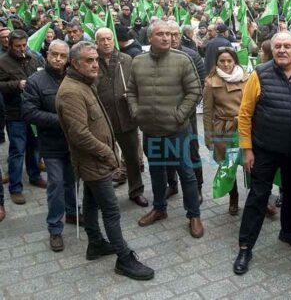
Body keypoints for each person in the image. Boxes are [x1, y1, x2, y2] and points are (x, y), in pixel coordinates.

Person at [55, 41, 154, 280]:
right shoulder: (70, 92)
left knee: (90, 202)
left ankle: (96, 243)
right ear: (75, 63)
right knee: (111, 210)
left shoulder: (84, 83)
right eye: (88, 61)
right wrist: (108, 154)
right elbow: (79, 134)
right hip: (93, 161)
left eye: (95, 59)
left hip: (95, 160)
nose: (94, 64)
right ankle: (124, 259)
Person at [233, 32, 291, 275]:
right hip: (264, 150)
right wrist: (247, 149)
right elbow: (245, 114)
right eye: (277, 46)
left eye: (287, 46)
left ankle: (288, 231)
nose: (281, 50)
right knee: (258, 196)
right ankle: (245, 246)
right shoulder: (259, 73)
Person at [127, 20, 204, 238]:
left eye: (169, 35)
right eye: (160, 34)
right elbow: (131, 91)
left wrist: (179, 116)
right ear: (150, 37)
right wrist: (136, 111)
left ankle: (194, 215)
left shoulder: (183, 60)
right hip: (150, 130)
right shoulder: (138, 61)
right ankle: (159, 208)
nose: (166, 38)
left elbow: (195, 91)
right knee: (156, 171)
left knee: (186, 173)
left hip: (177, 131)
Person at [23, 40, 79, 252]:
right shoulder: (35, 81)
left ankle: (73, 212)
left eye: (62, 56)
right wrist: (62, 120)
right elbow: (29, 113)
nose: (57, 59)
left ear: (68, 59)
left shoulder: (74, 77)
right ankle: (55, 228)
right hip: (51, 144)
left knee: (72, 182)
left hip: (74, 143)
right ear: (47, 55)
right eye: (54, 54)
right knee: (55, 184)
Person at [95, 28, 148, 208]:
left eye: (109, 38)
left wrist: (133, 97)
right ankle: (106, 196)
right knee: (104, 159)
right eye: (102, 39)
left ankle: (136, 191)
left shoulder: (126, 60)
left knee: (132, 158)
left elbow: (137, 83)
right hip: (102, 120)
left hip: (125, 117)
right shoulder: (92, 61)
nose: (106, 42)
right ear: (97, 42)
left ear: (114, 40)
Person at [0, 29, 46, 205]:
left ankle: (34, 176)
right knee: (17, 150)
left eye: (24, 45)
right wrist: (16, 85)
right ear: (10, 45)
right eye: (17, 46)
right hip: (15, 113)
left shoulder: (33, 57)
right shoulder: (2, 62)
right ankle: (15, 187)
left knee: (35, 146)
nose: (21, 49)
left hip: (34, 111)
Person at [203, 47, 249, 215]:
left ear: (235, 61)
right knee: (229, 166)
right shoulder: (211, 82)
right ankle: (233, 197)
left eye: (229, 60)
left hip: (246, 129)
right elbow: (207, 112)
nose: (226, 64)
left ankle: (256, 199)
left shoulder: (247, 77)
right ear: (216, 63)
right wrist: (209, 137)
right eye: (222, 61)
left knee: (250, 164)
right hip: (225, 130)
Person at [165, 22, 205, 201]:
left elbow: (200, 86)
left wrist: (183, 111)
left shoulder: (192, 56)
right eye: (168, 34)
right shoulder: (155, 57)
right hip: (163, 117)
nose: (171, 38)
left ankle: (198, 187)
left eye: (175, 34)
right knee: (167, 152)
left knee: (192, 151)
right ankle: (172, 185)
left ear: (180, 36)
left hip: (187, 116)